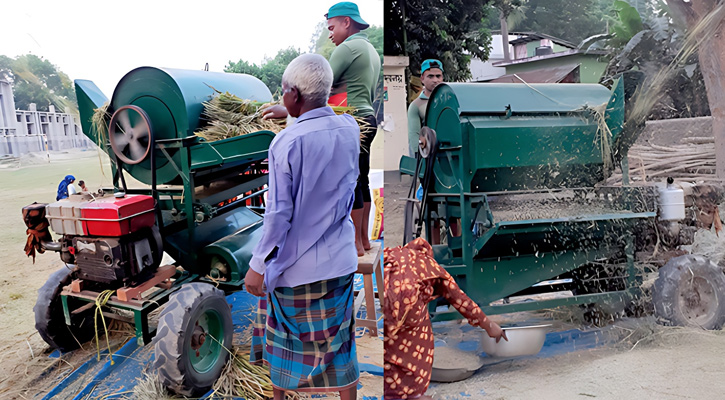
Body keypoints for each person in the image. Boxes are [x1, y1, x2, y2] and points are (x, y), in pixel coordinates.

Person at [245, 53, 361, 400]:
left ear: (294, 95)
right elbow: (322, 126)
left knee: (283, 348)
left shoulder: (285, 143)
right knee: (341, 348)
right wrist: (294, 117)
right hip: (341, 263)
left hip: (298, 272)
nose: (281, 99)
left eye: (283, 92)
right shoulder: (351, 128)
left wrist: (257, 264)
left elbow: (278, 215)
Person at [264, 2, 381, 256]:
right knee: (363, 178)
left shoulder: (348, 48)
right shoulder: (370, 49)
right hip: (368, 118)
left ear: (346, 22)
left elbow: (317, 86)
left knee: (352, 181)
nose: (330, 34)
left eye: (332, 27)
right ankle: (364, 240)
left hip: (351, 119)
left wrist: (286, 109)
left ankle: (355, 245)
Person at [384, 238, 507, 400]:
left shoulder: (392, 253)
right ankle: (415, 394)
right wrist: (489, 325)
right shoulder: (429, 265)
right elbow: (461, 300)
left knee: (391, 346)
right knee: (417, 344)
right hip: (409, 302)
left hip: (386, 295)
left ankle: (392, 391)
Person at [408, 59, 443, 157]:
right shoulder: (416, 105)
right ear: (422, 79)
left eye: (438, 76)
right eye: (430, 76)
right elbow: (414, 135)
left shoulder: (449, 100)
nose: (435, 80)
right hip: (428, 156)